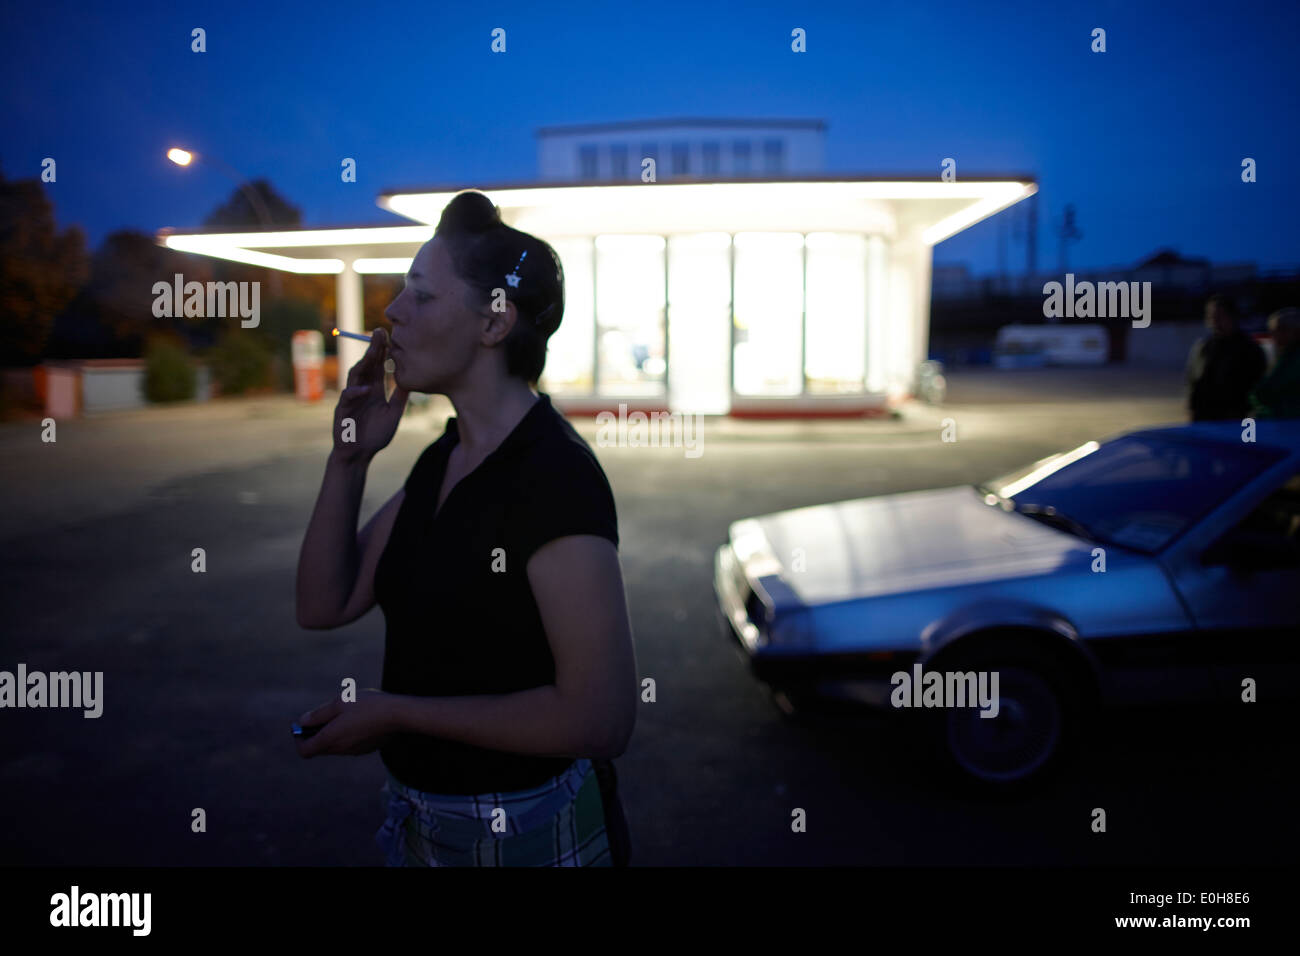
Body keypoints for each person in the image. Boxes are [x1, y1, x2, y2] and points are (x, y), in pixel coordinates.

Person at [294, 190, 637, 866]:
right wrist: (349, 458)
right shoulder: (443, 458)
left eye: (421, 295)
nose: (391, 312)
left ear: (493, 323)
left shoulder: (555, 478)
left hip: (531, 835)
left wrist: (397, 712)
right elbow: (321, 605)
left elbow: (602, 717)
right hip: (425, 827)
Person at [1185, 294, 1267, 421]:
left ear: (1233, 316)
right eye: (1211, 316)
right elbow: (1193, 380)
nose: (1214, 321)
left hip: (1233, 421)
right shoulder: (1204, 347)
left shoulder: (1249, 349)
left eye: (1219, 316)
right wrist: (1192, 408)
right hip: (1203, 419)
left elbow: (1256, 388)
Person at [1249, 307, 1300, 419]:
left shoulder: (1294, 360)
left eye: (1282, 329)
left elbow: (1267, 392)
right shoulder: (1283, 357)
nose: (1275, 336)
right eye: (1272, 331)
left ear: (1296, 331)